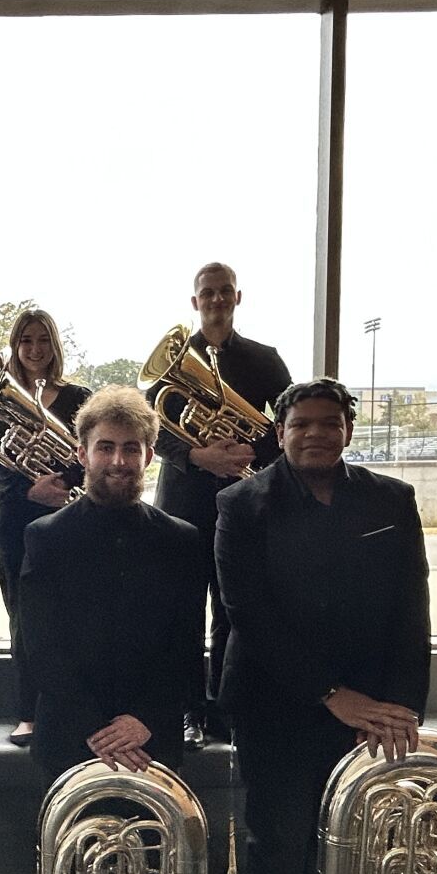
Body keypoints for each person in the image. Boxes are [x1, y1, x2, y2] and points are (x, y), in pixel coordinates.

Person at [215, 377, 431, 874]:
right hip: (274, 703)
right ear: (278, 433)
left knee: (347, 848)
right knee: (277, 842)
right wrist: (332, 694)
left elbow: (411, 609)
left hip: (369, 711)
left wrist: (401, 706)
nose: (315, 433)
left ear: (348, 430)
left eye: (329, 423)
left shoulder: (393, 499)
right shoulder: (241, 504)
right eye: (301, 423)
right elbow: (247, 615)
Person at [15, 385, 205, 874]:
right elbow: (40, 645)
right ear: (82, 452)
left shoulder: (183, 541)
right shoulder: (46, 536)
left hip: (150, 738)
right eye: (106, 447)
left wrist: (145, 722)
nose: (119, 459)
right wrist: (100, 725)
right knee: (66, 871)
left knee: (148, 870)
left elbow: (189, 643)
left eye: (131, 448)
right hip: (75, 735)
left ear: (149, 455)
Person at [150, 262, 292, 749]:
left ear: (238, 297)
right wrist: (197, 453)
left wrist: (254, 453)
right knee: (183, 611)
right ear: (195, 302)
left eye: (224, 292)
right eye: (206, 293)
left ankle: (228, 710)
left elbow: (287, 424)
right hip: (184, 503)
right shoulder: (173, 357)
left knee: (234, 609)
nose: (215, 300)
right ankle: (189, 712)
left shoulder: (264, 358)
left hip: (243, 503)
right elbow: (154, 428)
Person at [0, 309, 92, 747]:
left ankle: (73, 706)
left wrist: (62, 484)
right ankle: (27, 713)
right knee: (24, 620)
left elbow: (89, 449)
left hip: (68, 515)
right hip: (17, 520)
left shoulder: (78, 395)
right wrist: (29, 490)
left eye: (43, 339)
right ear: (15, 346)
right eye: (26, 340)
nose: (35, 349)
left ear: (54, 345)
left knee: (71, 616)